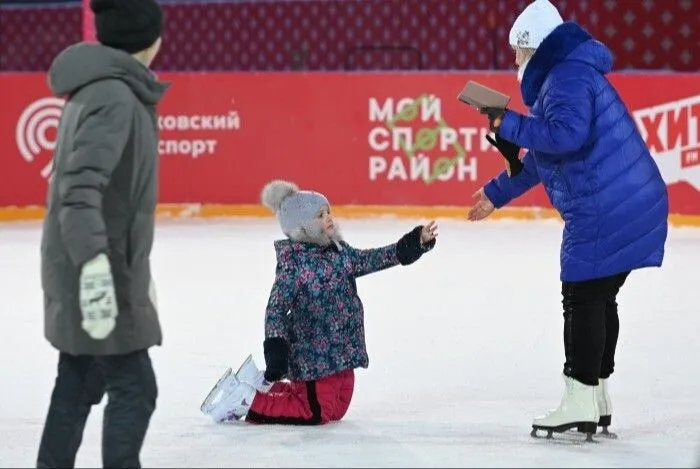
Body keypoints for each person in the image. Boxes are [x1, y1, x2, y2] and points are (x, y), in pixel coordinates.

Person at [467, 0, 669, 439]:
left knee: (581, 295)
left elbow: (565, 136)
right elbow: (547, 157)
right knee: (596, 296)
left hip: (608, 206)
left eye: (518, 51)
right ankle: (595, 397)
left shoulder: (567, 77)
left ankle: (580, 398)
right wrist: (496, 193)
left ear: (534, 47)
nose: (515, 61)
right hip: (627, 201)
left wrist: (507, 123)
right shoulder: (567, 75)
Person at [37, 0, 169, 466]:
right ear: (150, 40)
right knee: (136, 389)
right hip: (100, 274)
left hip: (103, 264)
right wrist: (95, 269)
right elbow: (78, 191)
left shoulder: (101, 89)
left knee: (78, 382)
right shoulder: (114, 95)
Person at [200, 180, 438, 425]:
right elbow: (277, 307)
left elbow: (374, 259)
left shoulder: (340, 252)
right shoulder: (294, 264)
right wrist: (276, 348)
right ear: (303, 226)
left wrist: (415, 243)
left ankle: (259, 388)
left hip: (343, 352)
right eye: (320, 215)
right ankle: (249, 400)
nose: (329, 218)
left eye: (328, 212)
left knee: (336, 411)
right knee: (315, 412)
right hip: (313, 357)